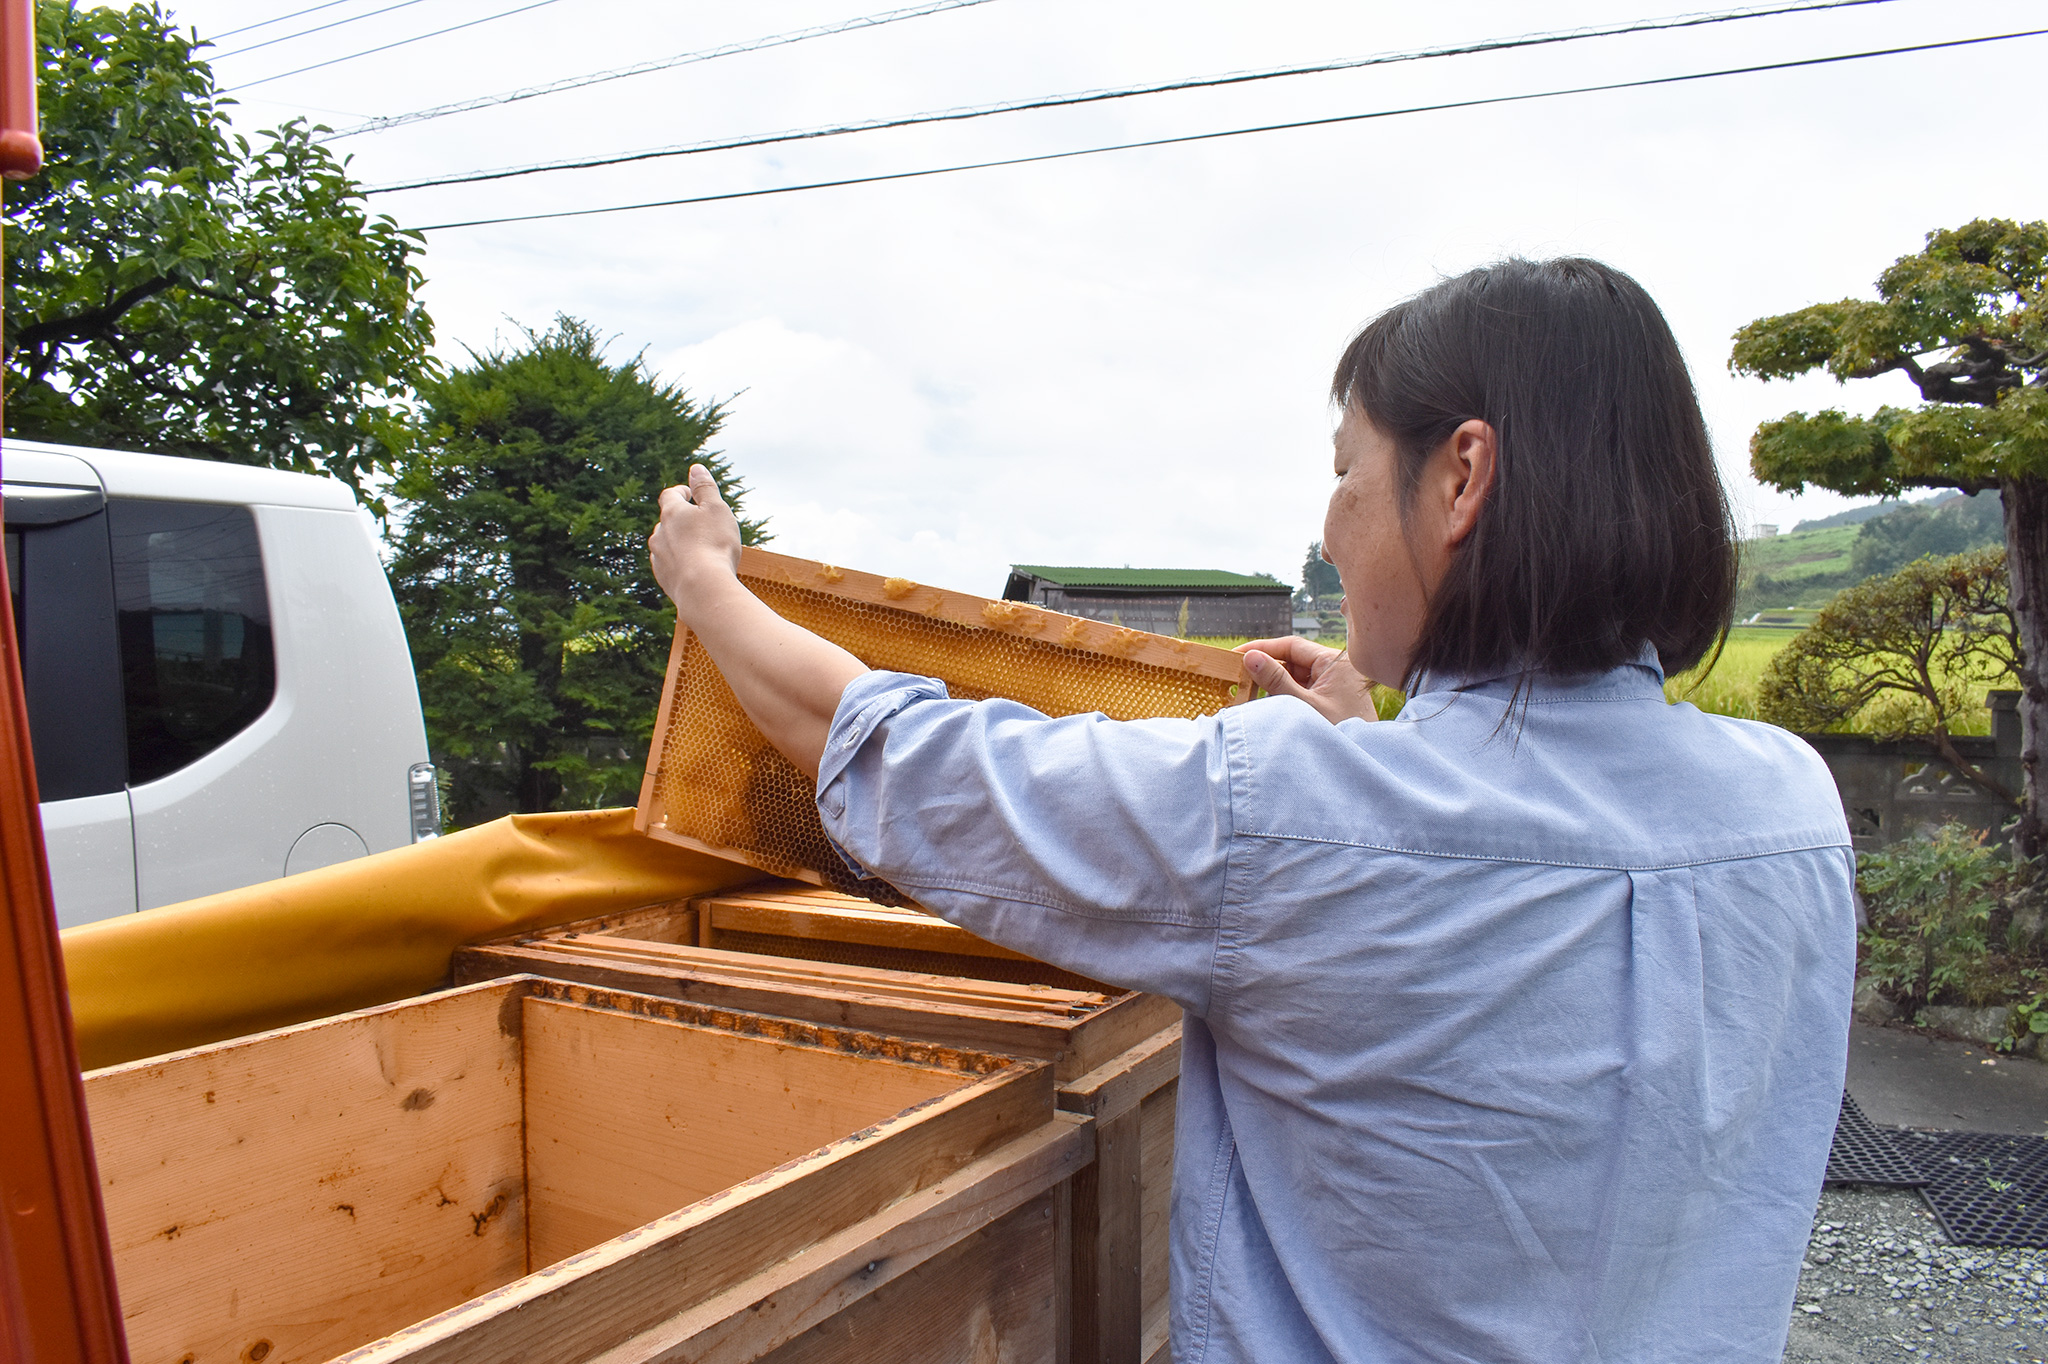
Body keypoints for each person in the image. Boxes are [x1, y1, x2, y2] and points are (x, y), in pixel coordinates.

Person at [647, 257, 1857, 1364]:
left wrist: (706, 580)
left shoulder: (1273, 811)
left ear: (1461, 476)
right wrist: (1369, 746)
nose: (1329, 529)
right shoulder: (1792, 804)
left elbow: (888, 748)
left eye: (1343, 472)